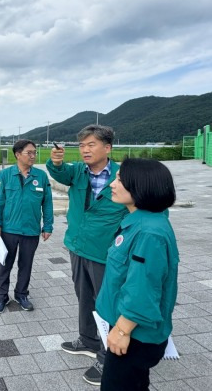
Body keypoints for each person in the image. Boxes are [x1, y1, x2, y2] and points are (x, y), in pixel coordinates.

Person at [46, 125, 128, 386]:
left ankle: (108, 356)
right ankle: (88, 339)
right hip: (78, 246)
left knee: (107, 304)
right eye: (81, 146)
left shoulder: (123, 176)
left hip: (106, 253)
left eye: (91, 144)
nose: (85, 150)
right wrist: (54, 161)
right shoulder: (77, 171)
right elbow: (58, 171)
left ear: (108, 147)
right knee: (84, 296)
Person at [96, 158, 178, 390]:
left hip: (134, 336)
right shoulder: (143, 220)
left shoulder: (149, 232)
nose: (112, 183)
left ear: (141, 185)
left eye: (120, 179)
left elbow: (143, 288)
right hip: (131, 330)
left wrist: (121, 330)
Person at [0, 139, 53, 314]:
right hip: (9, 229)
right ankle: (1, 297)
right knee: (5, 264)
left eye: (35, 152)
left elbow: (47, 203)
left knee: (26, 265)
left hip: (31, 230)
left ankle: (21, 294)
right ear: (18, 155)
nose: (33, 156)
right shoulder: (5, 175)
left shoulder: (41, 176)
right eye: (29, 152)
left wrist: (48, 225)